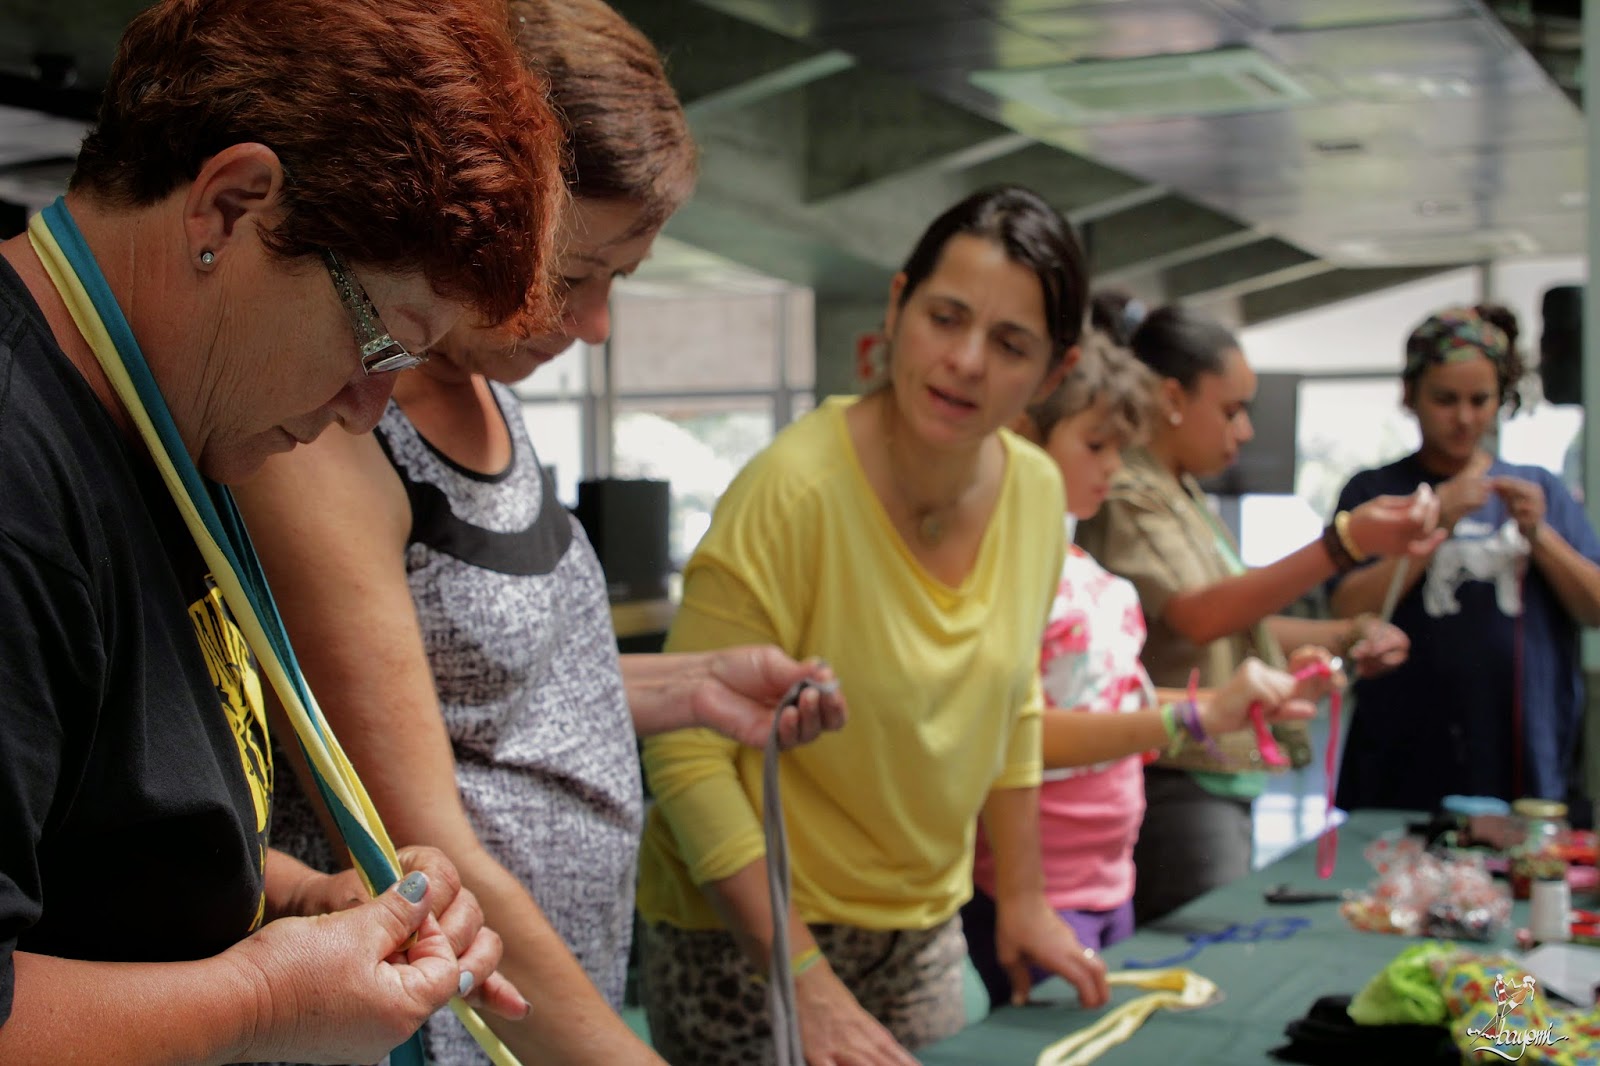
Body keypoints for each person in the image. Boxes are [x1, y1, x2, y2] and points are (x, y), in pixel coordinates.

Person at [232, 3, 845, 1063]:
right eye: (570, 276)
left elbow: (470, 692)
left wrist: (686, 685)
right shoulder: (328, 424)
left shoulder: (485, 384)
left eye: (617, 280)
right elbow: (419, 841)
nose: (594, 325)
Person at [0, 0, 567, 1060]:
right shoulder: (19, 475)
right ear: (230, 208)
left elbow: (84, 814)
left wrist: (303, 900)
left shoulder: (162, 427)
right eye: (378, 340)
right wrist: (261, 1001)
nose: (365, 412)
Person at [635, 185, 1115, 1066]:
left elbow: (1013, 705)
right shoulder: (793, 490)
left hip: (921, 929)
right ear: (897, 309)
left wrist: (1023, 898)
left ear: (1054, 373)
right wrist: (804, 981)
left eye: (1010, 344)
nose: (965, 361)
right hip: (744, 937)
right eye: (945, 317)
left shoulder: (1037, 493)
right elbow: (684, 750)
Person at [962, 328, 1342, 1007]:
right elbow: (1018, 734)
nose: (1114, 466)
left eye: (1119, 447)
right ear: (1022, 436)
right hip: (1036, 893)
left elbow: (1110, 702)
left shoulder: (1085, 574)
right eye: (1096, 445)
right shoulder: (998, 577)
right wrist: (1185, 718)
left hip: (1111, 882)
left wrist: (1227, 703)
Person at [1075, 304, 1440, 924]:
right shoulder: (1130, 490)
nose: (1244, 431)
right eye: (1231, 410)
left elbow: (1238, 621)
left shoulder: (1181, 492)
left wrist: (1345, 635)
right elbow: (1199, 617)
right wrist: (1344, 544)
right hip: (1177, 771)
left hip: (1211, 769)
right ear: (1172, 399)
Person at [1329, 305, 1600, 812]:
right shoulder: (1375, 491)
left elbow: (1595, 607)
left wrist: (1540, 536)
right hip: (1402, 751)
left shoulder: (1539, 488)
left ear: (1502, 399)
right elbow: (1346, 608)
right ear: (1410, 396)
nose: (1464, 418)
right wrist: (1435, 522)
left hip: (1522, 752)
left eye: (1480, 400)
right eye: (1445, 400)